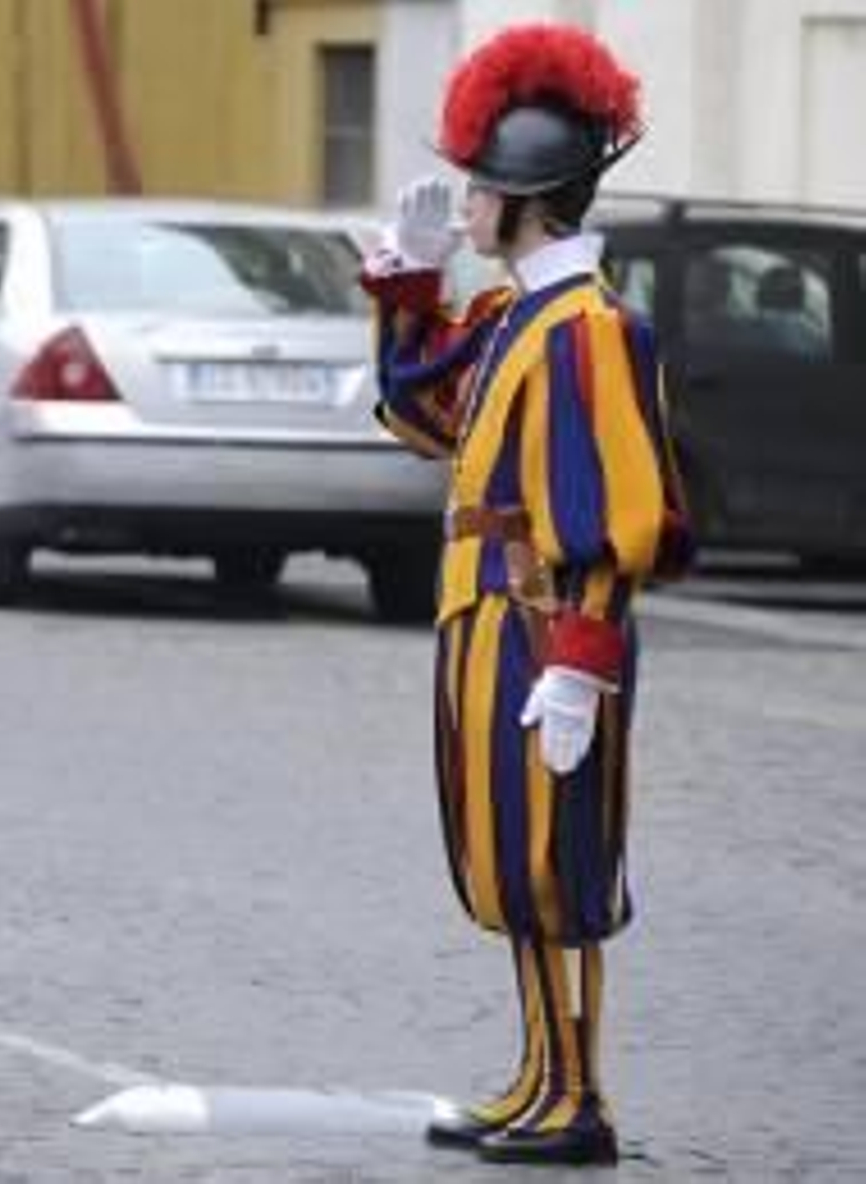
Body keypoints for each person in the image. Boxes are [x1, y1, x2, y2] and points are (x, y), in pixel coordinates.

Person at [360, 24, 693, 1166]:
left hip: (545, 625)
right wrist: (408, 288)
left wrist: (578, 662)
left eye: (477, 191)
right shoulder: (514, 319)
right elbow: (420, 415)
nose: (462, 208)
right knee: (511, 864)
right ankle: (540, 1074)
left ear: (528, 201)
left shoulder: (590, 329)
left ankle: (578, 1100)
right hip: (488, 624)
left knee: (558, 870)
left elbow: (621, 512)